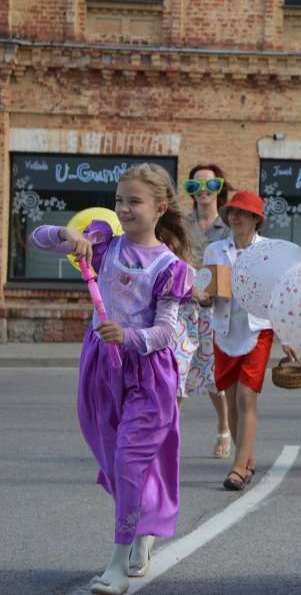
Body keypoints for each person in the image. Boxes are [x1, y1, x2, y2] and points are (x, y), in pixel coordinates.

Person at [31, 164, 194, 595]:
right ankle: (143, 530)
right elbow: (38, 238)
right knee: (114, 462)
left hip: (146, 376)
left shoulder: (170, 267)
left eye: (134, 201)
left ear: (160, 208)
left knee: (128, 462)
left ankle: (117, 566)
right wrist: (69, 237)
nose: (123, 208)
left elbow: (165, 331)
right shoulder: (103, 243)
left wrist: (128, 336)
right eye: (120, 199)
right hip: (99, 371)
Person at [203, 190, 298, 492]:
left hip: (259, 328)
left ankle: (239, 467)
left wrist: (288, 336)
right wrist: (203, 297)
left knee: (247, 395)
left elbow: (281, 296)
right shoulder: (215, 250)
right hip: (225, 328)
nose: (235, 217)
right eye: (232, 212)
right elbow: (206, 291)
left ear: (257, 219)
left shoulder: (271, 251)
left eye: (242, 213)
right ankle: (247, 455)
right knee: (230, 396)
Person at [179, 164, 232, 459]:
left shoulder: (228, 225)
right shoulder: (180, 224)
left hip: (214, 309)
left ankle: (224, 428)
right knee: (177, 372)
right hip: (184, 307)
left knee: (214, 377)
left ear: (219, 190)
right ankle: (167, 435)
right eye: (195, 186)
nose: (203, 192)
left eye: (210, 186)